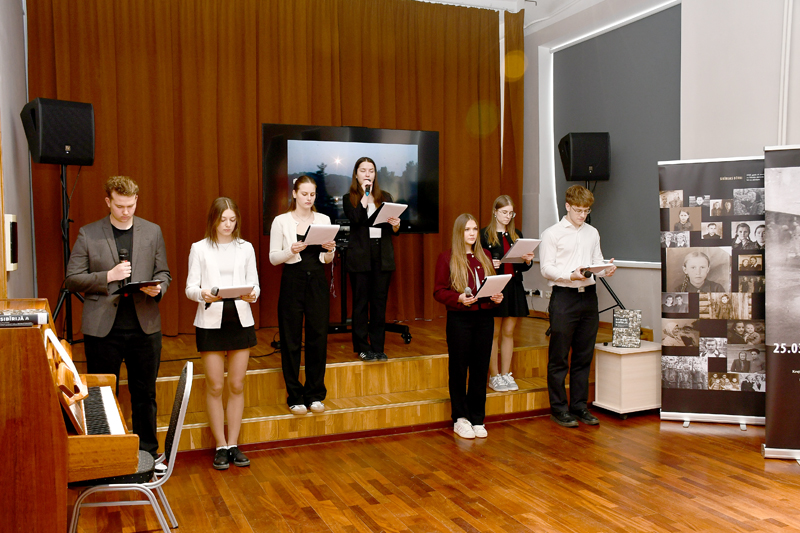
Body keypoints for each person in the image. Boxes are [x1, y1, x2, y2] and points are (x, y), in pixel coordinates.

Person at [65, 176, 171, 458]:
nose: (126, 211)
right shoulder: (89, 233)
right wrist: (108, 276)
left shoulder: (152, 231)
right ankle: (107, 456)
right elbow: (72, 279)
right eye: (120, 206)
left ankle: (148, 454)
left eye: (130, 206)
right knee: (101, 395)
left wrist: (158, 288)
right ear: (108, 202)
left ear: (136, 200)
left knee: (145, 394)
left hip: (144, 327)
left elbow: (163, 272)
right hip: (102, 330)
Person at [186, 197, 260, 469]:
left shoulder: (246, 247)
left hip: (240, 320)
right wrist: (203, 294)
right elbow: (190, 288)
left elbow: (255, 284)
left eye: (232, 220)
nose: (228, 225)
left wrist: (252, 294)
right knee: (216, 386)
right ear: (213, 220)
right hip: (211, 322)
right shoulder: (199, 248)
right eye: (223, 220)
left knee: (237, 384)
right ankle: (220, 445)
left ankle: (233, 444)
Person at [539, 185, 616, 427]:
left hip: (589, 297)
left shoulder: (592, 232)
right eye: (578, 210)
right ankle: (559, 409)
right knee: (559, 356)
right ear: (567, 206)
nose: (582, 215)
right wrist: (569, 276)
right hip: (564, 297)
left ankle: (580, 406)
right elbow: (546, 268)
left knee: (584, 355)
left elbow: (596, 262)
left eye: (586, 211)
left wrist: (605, 269)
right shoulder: (552, 234)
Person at [269, 176, 337, 415]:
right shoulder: (281, 221)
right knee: (291, 339)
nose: (309, 198)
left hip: (317, 280)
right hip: (292, 281)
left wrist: (330, 251)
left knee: (318, 337)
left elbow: (327, 259)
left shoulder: (324, 219)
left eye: (312, 194)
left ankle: (315, 394)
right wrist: (290, 250)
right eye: (305, 194)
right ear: (295, 194)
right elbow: (273, 258)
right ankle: (295, 396)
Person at [433, 214, 503, 439]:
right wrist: (458, 298)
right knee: (459, 368)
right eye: (467, 230)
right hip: (460, 319)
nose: (472, 233)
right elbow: (439, 291)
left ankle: (477, 418)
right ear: (459, 232)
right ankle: (460, 418)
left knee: (480, 369)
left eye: (474, 229)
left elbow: (490, 286)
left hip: (485, 319)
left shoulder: (486, 256)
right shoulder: (447, 258)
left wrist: (496, 297)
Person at [343, 157, 401, 362]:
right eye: (363, 170)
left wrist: (396, 225)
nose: (367, 174)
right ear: (356, 174)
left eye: (371, 170)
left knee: (379, 304)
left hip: (381, 256)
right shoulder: (349, 198)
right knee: (360, 304)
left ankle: (378, 347)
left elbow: (393, 231)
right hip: (360, 256)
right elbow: (356, 219)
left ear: (375, 174)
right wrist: (365, 196)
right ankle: (362, 347)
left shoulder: (385, 197)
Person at [480, 195, 534, 392]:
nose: (507, 216)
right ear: (495, 212)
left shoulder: (516, 234)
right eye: (504, 212)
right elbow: (477, 263)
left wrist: (527, 260)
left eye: (511, 213)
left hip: (514, 286)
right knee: (493, 333)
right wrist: (489, 264)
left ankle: (506, 373)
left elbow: (523, 267)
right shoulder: (485, 234)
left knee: (509, 332)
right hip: (495, 286)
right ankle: (494, 376)